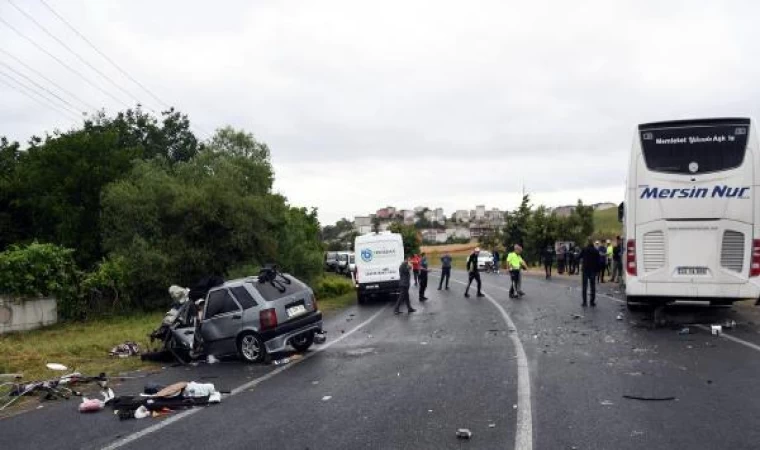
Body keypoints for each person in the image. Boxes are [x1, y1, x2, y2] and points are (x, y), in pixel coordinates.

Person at [580, 239, 600, 306]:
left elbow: (579, 256)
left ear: (587, 243)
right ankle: (592, 302)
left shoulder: (584, 249)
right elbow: (598, 262)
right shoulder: (596, 251)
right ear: (593, 243)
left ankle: (584, 302)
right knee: (592, 287)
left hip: (585, 270)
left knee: (584, 287)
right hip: (593, 271)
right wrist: (597, 271)